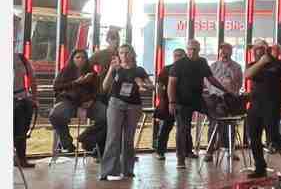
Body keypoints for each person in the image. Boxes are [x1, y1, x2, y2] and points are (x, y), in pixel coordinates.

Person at [166, 39, 228, 168]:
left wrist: (225, 90)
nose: (192, 51)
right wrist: (172, 101)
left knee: (215, 116)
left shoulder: (202, 62)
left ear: (199, 50)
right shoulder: (179, 64)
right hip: (181, 101)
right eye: (190, 49)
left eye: (195, 49)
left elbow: (211, 79)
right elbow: (171, 84)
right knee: (182, 129)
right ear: (187, 49)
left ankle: (211, 150)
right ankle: (180, 159)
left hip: (197, 99)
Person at [99, 43, 152, 180]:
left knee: (128, 138)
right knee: (113, 137)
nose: (124, 55)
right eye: (121, 53)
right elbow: (105, 87)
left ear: (133, 54)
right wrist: (111, 70)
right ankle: (107, 171)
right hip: (116, 103)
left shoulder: (139, 70)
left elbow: (150, 86)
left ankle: (127, 169)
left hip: (133, 105)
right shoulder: (116, 69)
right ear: (118, 55)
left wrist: (142, 84)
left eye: (127, 52)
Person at [243, 38, 281, 178]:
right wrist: (261, 62)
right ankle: (260, 167)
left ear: (266, 50)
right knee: (253, 137)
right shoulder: (252, 65)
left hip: (273, 106)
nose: (255, 51)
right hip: (255, 106)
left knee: (274, 139)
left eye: (258, 48)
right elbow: (247, 75)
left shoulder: (279, 65)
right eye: (254, 49)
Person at [49, 49, 107, 155]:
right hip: (69, 101)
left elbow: (98, 91)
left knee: (107, 116)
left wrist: (92, 100)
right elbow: (56, 87)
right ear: (72, 59)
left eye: (83, 57)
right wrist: (76, 82)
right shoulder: (66, 71)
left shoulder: (92, 72)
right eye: (78, 57)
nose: (81, 59)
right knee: (55, 115)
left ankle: (86, 138)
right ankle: (66, 143)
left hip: (88, 103)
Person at [152, 48, 185, 160]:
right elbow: (159, 85)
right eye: (176, 55)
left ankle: (187, 151)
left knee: (185, 128)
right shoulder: (166, 69)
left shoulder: (187, 69)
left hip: (183, 102)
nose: (178, 57)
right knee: (165, 127)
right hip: (168, 102)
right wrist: (161, 100)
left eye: (180, 55)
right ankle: (160, 151)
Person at [14, 48, 38, 169]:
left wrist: (34, 98)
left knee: (22, 131)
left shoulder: (21, 58)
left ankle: (21, 158)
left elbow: (32, 79)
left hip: (22, 99)